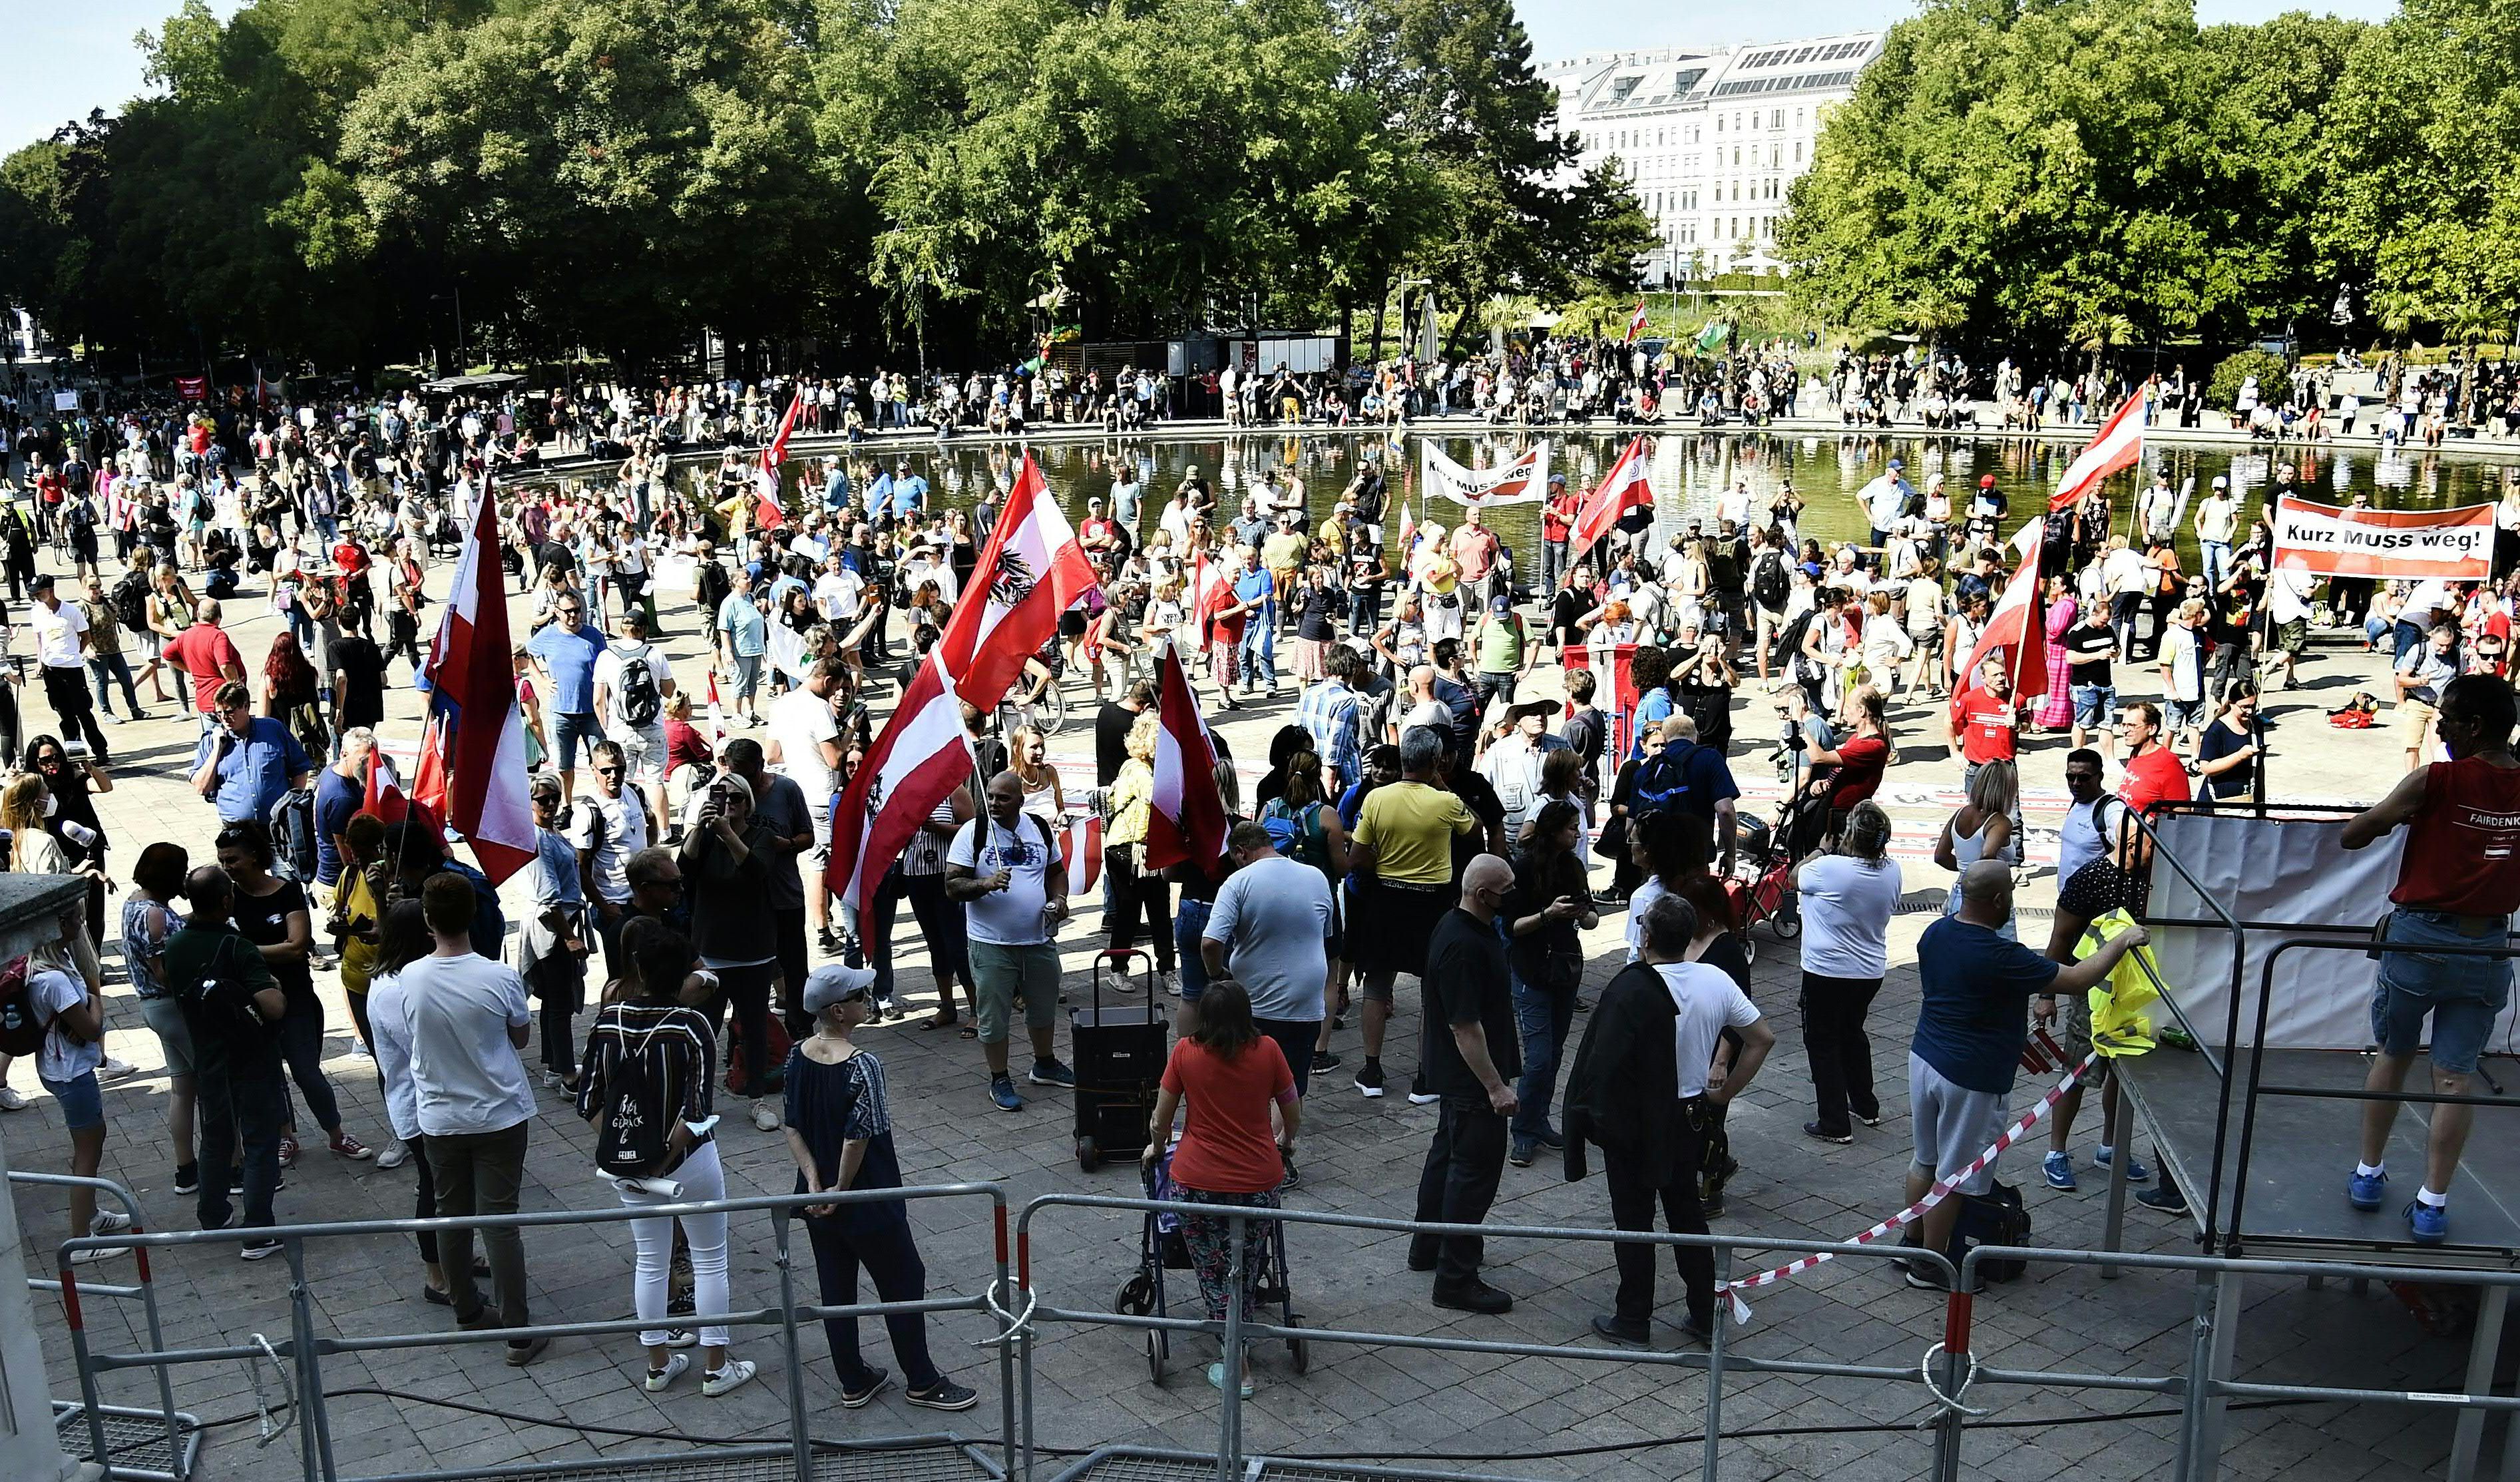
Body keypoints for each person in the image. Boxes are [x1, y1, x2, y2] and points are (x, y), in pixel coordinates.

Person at [2340, 674, 2520, 1243]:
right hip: (2489, 946)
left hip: (2419, 940)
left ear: (2475, 726)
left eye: (2448, 720)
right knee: (2456, 1080)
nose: (2440, 729)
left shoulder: (2436, 779)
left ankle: (2368, 1174)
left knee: (2393, 1054)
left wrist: (2398, 814)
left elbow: (2354, 835)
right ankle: (2433, 1204)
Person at [1905, 864, 2145, 1288]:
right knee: (1954, 1176)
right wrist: (2123, 940)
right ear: (1999, 900)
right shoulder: (2002, 955)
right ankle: (1932, 1265)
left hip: (1924, 1059)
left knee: (1925, 1159)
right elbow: (2078, 978)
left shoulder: (1936, 933)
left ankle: (1911, 1243)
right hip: (1970, 1076)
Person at [1566, 895, 1771, 1346]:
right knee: (1688, 1216)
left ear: (1646, 937)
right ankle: (1703, 1314)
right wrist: (1726, 1092)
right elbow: (1761, 1038)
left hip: (1635, 1120)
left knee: (1634, 1220)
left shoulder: (1632, 988)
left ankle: (1633, 1317)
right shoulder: (1715, 979)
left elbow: (1603, 1063)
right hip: (1688, 1116)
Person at [783, 963, 979, 1410]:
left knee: (836, 1287)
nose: (867, 1001)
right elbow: (859, 1137)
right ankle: (922, 1380)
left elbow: (792, 1125)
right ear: (838, 1011)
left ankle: (853, 1379)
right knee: (903, 1279)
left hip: (815, 1200)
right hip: (867, 1197)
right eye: (860, 996)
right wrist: (841, 1188)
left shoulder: (796, 1055)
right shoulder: (862, 1065)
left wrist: (815, 1184)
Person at [578, 916, 756, 1397]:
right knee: (711, 1260)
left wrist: (624, 1154)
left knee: (650, 1261)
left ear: (638, 967)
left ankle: (658, 1364)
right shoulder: (692, 1026)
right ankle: (716, 1368)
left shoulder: (607, 1020)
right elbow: (696, 1112)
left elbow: (588, 1101)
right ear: (683, 976)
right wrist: (659, 1160)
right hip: (689, 1161)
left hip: (626, 1165)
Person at [396, 873, 546, 1365]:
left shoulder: (410, 977)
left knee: (452, 1215)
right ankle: (518, 1332)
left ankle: (466, 1309)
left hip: (441, 1116)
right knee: (500, 1223)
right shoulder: (499, 977)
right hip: (499, 1113)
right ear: (473, 916)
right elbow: (520, 1038)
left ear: (427, 919)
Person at [1144, 975, 1301, 1397]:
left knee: (1213, 1268)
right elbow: (1292, 1110)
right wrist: (1285, 1141)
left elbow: (1161, 1119)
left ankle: (1236, 1360)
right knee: (1246, 1262)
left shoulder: (1185, 1053)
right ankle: (1240, 1327)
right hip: (1258, 1181)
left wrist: (1156, 1147)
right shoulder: (1269, 1051)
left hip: (1198, 1182)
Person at [218, 819, 372, 1168]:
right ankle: (286, 1136)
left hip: (297, 997)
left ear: (254, 856)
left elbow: (297, 946)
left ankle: (336, 1134)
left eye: (233, 859)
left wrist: (243, 951)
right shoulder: (227, 897)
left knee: (307, 1072)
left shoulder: (286, 892)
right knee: (269, 1075)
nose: (227, 867)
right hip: (251, 1002)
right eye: (223, 860)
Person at [1408, 854, 1522, 1314]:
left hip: (1457, 1077)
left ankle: (1429, 1246)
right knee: (1472, 1176)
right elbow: (1465, 1026)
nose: (1511, 896)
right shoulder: (1464, 944)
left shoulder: (1459, 926)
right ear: (1482, 894)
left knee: (1446, 1162)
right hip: (1472, 1082)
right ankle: (1456, 1278)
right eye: (1505, 890)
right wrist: (1496, 1087)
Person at [164, 866, 290, 1255]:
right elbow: (273, 1007)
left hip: (208, 1058)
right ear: (225, 902)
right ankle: (258, 1231)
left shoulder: (175, 945)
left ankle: (213, 1215)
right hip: (252, 1059)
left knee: (216, 1139)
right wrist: (275, 987)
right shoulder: (238, 947)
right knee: (260, 1143)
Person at [1347, 726, 1477, 1097]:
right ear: (1435, 761)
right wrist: (1444, 787)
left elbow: (1357, 857)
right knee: (1430, 993)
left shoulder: (1377, 799)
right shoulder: (1446, 802)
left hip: (1386, 898)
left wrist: (1383, 863)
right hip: (1432, 904)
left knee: (1376, 987)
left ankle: (1372, 1071)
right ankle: (1425, 1076)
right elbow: (1475, 831)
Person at [946, 770, 1076, 1111]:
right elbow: (952, 885)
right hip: (991, 944)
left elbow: (1056, 873)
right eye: (990, 796)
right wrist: (985, 884)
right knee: (994, 1016)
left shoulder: (1039, 828)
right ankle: (999, 1078)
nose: (994, 803)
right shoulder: (973, 832)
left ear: (1021, 800)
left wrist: (1060, 899)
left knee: (1043, 1006)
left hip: (1038, 940)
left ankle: (1044, 1064)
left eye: (1003, 798)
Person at [365, 901, 471, 1302]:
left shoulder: (406, 980)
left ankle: (457, 1258)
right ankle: (436, 1276)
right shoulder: (393, 990)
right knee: (435, 1189)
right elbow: (423, 1045)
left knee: (455, 1188)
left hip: (435, 1102)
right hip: (418, 1107)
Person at [679, 769, 784, 1128]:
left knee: (753, 1027)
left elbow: (756, 871)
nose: (728, 804)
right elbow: (683, 869)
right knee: (704, 1028)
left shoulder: (762, 836)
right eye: (721, 796)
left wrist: (727, 834)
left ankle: (757, 1098)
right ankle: (698, 1099)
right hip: (711, 951)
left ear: (747, 804)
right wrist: (698, 829)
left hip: (754, 950)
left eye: (736, 798)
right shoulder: (706, 837)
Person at [1202, 821, 1333, 1108]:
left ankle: (1257, 1131)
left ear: (1241, 852)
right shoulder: (1316, 877)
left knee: (1252, 1084)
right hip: (1306, 1002)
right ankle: (1285, 1134)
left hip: (1256, 1003)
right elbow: (1325, 935)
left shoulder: (1238, 882)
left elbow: (1210, 943)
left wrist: (1217, 975)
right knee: (1292, 1086)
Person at [1794, 801, 1900, 1144]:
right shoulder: (1892, 870)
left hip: (1826, 971)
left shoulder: (1829, 868)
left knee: (1822, 1041)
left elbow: (1794, 877)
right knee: (1852, 1033)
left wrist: (1820, 851)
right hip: (1868, 971)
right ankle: (1865, 1104)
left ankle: (1834, 1121)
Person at [1502, 800, 1596, 1168]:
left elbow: (1591, 917)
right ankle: (1524, 1132)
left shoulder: (1573, 867)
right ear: (1554, 831)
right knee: (1539, 1059)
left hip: (1565, 970)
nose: (1578, 834)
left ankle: (1538, 1121)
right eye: (1572, 827)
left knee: (1554, 1055)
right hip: (1531, 971)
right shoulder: (1524, 869)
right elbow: (1512, 927)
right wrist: (1548, 914)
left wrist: (1583, 915)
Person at [123, 842, 198, 1198]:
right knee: (217, 1087)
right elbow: (164, 971)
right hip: (172, 1007)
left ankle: (186, 1170)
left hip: (152, 1007)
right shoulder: (155, 915)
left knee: (182, 1088)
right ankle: (232, 1167)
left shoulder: (134, 903)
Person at [522, 775, 591, 1091]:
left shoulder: (551, 832)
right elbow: (549, 899)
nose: (550, 804)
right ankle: (567, 1075)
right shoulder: (538, 839)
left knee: (553, 999)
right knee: (561, 1002)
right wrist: (569, 937)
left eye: (554, 798)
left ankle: (554, 1065)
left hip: (560, 923)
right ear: (530, 803)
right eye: (542, 799)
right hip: (552, 928)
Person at [190, 680, 314, 826]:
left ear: (246, 706)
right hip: (236, 830)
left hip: (277, 825)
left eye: (229, 711)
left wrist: (292, 804)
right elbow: (201, 788)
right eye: (219, 713)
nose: (224, 718)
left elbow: (300, 769)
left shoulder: (273, 730)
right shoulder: (211, 741)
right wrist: (217, 750)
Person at [528, 591, 606, 800]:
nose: (573, 615)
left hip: (592, 712)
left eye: (577, 610)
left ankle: (603, 800)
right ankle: (567, 805)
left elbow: (605, 665)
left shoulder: (593, 635)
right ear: (557, 612)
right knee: (564, 765)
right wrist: (542, 680)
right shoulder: (547, 635)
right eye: (568, 611)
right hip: (561, 713)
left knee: (601, 761)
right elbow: (526, 655)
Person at [27, 575, 110, 763]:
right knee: (65, 716)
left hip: (72, 669)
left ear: (50, 590)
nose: (37, 597)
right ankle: (76, 755)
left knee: (83, 712)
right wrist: (40, 661)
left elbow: (86, 637)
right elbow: (39, 639)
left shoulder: (71, 611)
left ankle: (100, 750)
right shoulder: (36, 612)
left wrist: (75, 654)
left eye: (40, 593)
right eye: (34, 594)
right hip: (51, 670)